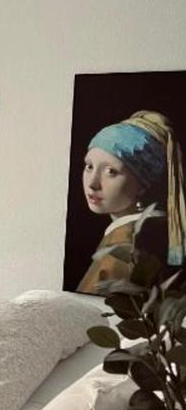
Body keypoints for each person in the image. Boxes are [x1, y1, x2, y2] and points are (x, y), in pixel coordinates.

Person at [78, 110, 186, 294]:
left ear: (143, 184)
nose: (93, 183)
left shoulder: (126, 244)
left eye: (111, 171)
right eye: (89, 166)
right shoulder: (155, 230)